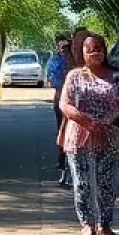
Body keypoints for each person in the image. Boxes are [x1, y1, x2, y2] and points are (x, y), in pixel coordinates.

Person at [58, 32, 119, 235]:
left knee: (106, 182)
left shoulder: (117, 76)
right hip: (79, 136)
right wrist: (87, 122)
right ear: (83, 53)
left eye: (99, 48)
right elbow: (65, 103)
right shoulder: (74, 76)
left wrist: (103, 123)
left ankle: (105, 224)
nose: (95, 52)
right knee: (82, 182)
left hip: (109, 137)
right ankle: (87, 223)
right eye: (90, 49)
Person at [47, 34, 73, 187]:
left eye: (67, 47)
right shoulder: (55, 60)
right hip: (61, 100)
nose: (65, 51)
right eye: (62, 47)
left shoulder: (77, 60)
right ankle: (63, 165)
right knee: (63, 133)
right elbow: (53, 80)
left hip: (75, 101)